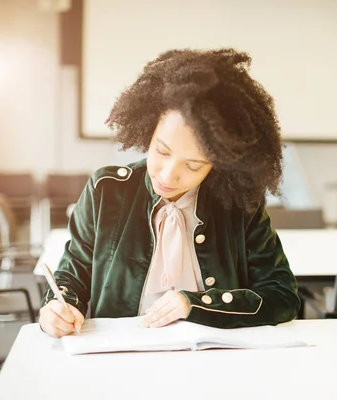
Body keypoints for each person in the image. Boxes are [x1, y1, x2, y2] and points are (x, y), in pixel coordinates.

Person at [39, 49, 300, 338]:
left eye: (193, 165)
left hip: (213, 359)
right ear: (147, 130)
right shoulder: (106, 190)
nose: (167, 175)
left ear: (222, 163)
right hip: (120, 359)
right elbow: (72, 275)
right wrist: (57, 309)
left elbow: (282, 296)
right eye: (161, 151)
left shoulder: (239, 204)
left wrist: (195, 304)